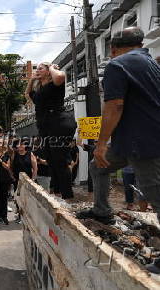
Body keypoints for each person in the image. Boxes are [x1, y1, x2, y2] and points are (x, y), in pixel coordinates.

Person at [76, 28, 160, 229]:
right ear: (140, 44)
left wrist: (101, 143)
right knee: (98, 167)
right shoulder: (152, 64)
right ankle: (102, 212)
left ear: (112, 50)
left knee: (155, 194)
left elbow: (115, 106)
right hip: (131, 141)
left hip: (143, 144)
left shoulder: (117, 65)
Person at [24, 62, 76, 199]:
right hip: (46, 128)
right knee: (51, 160)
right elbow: (27, 94)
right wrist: (32, 79)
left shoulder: (55, 84)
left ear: (48, 71)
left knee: (60, 161)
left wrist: (52, 67)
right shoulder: (40, 91)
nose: (37, 70)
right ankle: (58, 193)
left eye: (41, 68)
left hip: (59, 124)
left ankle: (67, 196)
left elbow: (60, 76)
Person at [0, 139, 13, 225]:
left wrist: (1, 162)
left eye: (0, 143)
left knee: (4, 198)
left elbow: (8, 167)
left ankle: (4, 217)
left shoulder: (6, 155)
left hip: (5, 179)